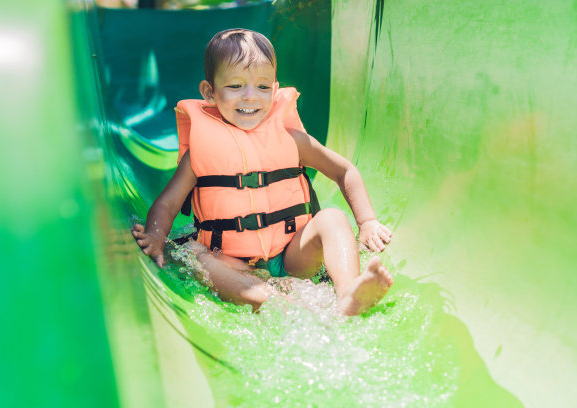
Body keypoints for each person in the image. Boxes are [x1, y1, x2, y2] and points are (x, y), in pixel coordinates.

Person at [132, 28, 393, 315]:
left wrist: (367, 221)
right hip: (231, 259)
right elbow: (168, 203)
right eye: (235, 86)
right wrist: (156, 236)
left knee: (331, 218)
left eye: (263, 87)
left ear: (275, 87)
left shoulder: (291, 139)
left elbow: (344, 172)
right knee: (194, 255)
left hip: (293, 256)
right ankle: (270, 300)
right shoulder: (200, 153)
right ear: (209, 92)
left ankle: (348, 293)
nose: (250, 97)